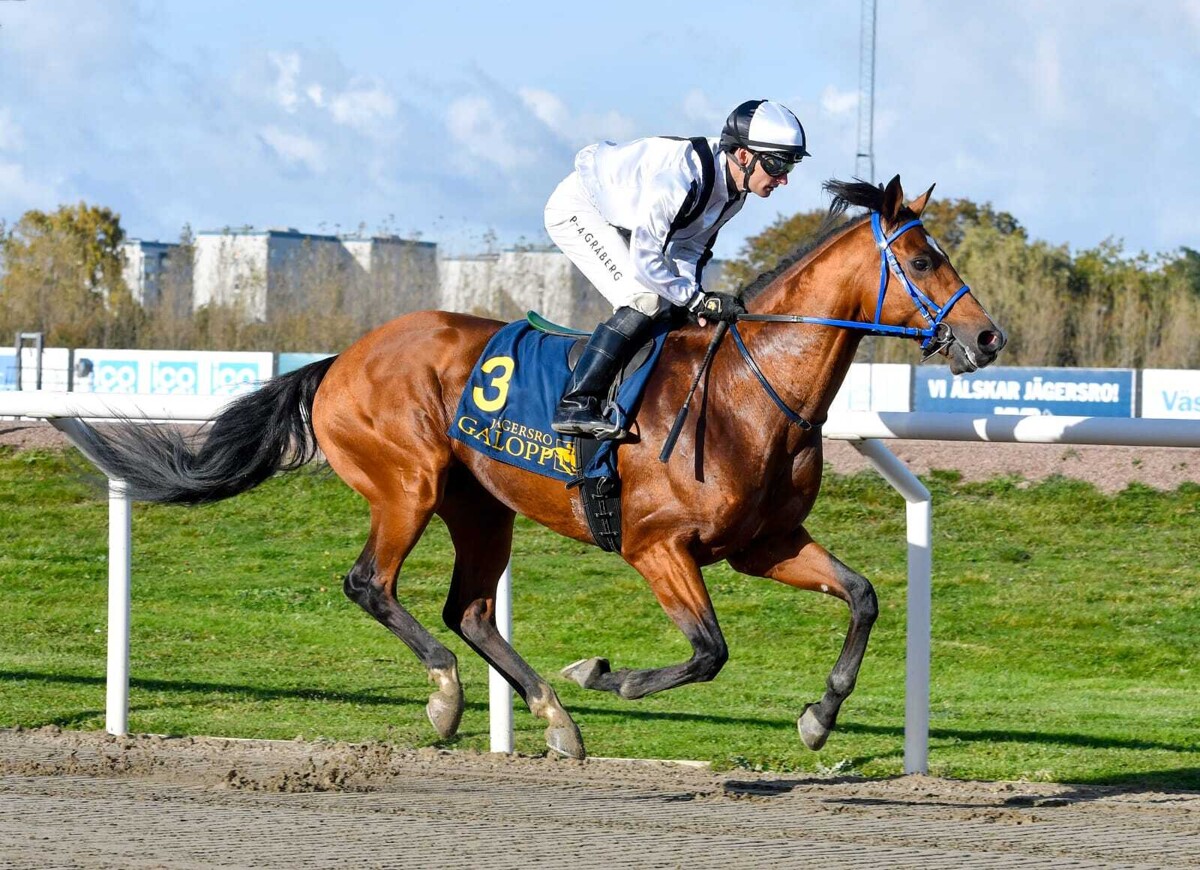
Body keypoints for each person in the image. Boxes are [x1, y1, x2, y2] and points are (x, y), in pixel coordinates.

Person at [544, 98, 810, 440]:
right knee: (644, 299)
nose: (783, 179)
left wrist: (694, 301)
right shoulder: (682, 179)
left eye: (790, 166)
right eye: (776, 164)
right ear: (744, 156)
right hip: (580, 208)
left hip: (622, 220)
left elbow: (690, 249)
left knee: (672, 308)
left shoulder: (735, 193)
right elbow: (646, 261)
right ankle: (575, 402)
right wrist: (697, 300)